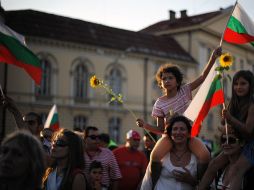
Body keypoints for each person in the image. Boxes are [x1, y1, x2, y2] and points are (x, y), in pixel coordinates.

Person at [136, 46, 222, 189]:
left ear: (177, 81)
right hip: (170, 136)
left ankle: (200, 183)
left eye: (170, 78)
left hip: (188, 134)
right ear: (161, 83)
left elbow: (202, 77)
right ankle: (153, 184)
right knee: (155, 157)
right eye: (164, 79)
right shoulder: (159, 103)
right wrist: (145, 125)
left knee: (205, 155)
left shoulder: (185, 91)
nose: (167, 81)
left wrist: (213, 58)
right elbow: (160, 128)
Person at [198, 70, 254, 190]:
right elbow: (224, 124)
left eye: (243, 83)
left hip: (251, 144)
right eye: (236, 84)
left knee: (237, 169)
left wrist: (231, 119)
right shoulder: (233, 102)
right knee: (213, 164)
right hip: (238, 142)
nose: (239, 87)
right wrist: (225, 122)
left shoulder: (252, 104)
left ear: (251, 85)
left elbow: (249, 130)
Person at [141, 115, 198, 190]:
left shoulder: (196, 157)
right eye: (175, 129)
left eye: (182, 129)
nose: (178, 132)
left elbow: (209, 185)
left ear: (188, 133)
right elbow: (147, 184)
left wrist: (192, 181)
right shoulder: (160, 155)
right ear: (170, 134)